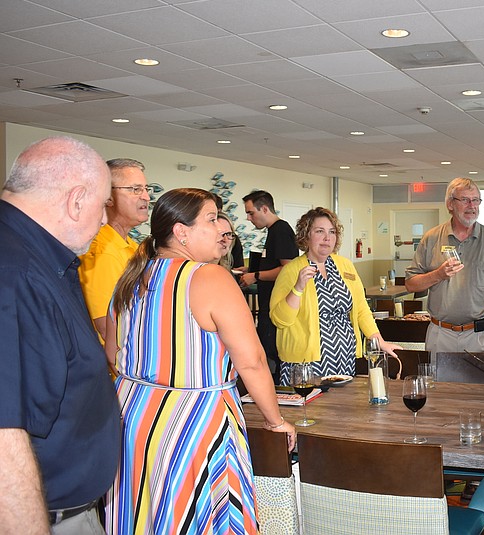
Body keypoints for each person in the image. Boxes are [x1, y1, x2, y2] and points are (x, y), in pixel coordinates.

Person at [103, 188, 295, 534]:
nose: (219, 227)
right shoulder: (208, 276)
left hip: (131, 416)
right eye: (210, 219)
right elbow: (251, 361)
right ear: (181, 232)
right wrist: (275, 420)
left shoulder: (131, 276)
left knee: (145, 512)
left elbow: (112, 353)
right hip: (194, 420)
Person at [0, 136, 120, 534]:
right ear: (76, 200)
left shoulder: (37, 257)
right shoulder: (18, 275)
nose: (104, 219)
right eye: (103, 205)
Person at [270, 207, 399, 384]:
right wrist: (298, 288)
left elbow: (361, 309)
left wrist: (379, 341)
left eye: (332, 232)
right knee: (311, 411)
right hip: (306, 363)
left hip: (344, 358)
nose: (327, 238)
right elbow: (279, 319)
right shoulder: (291, 271)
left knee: (341, 410)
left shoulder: (345, 266)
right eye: (319, 231)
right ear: (306, 235)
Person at [405, 177, 484, 353]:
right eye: (465, 200)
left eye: (476, 200)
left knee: (483, 382)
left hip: (481, 336)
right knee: (439, 382)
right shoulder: (431, 238)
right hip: (441, 335)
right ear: (450, 204)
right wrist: (438, 275)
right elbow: (410, 284)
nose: (472, 206)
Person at [79, 158, 150, 343]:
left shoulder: (132, 246)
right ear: (108, 196)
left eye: (145, 189)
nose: (146, 197)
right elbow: (107, 328)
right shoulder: (102, 250)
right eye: (135, 189)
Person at [241, 190, 299, 382]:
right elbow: (273, 263)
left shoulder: (281, 230)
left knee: (272, 355)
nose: (249, 218)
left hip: (276, 307)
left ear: (264, 208)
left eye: (251, 213)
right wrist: (249, 269)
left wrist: (255, 276)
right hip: (268, 304)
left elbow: (288, 268)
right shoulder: (272, 231)